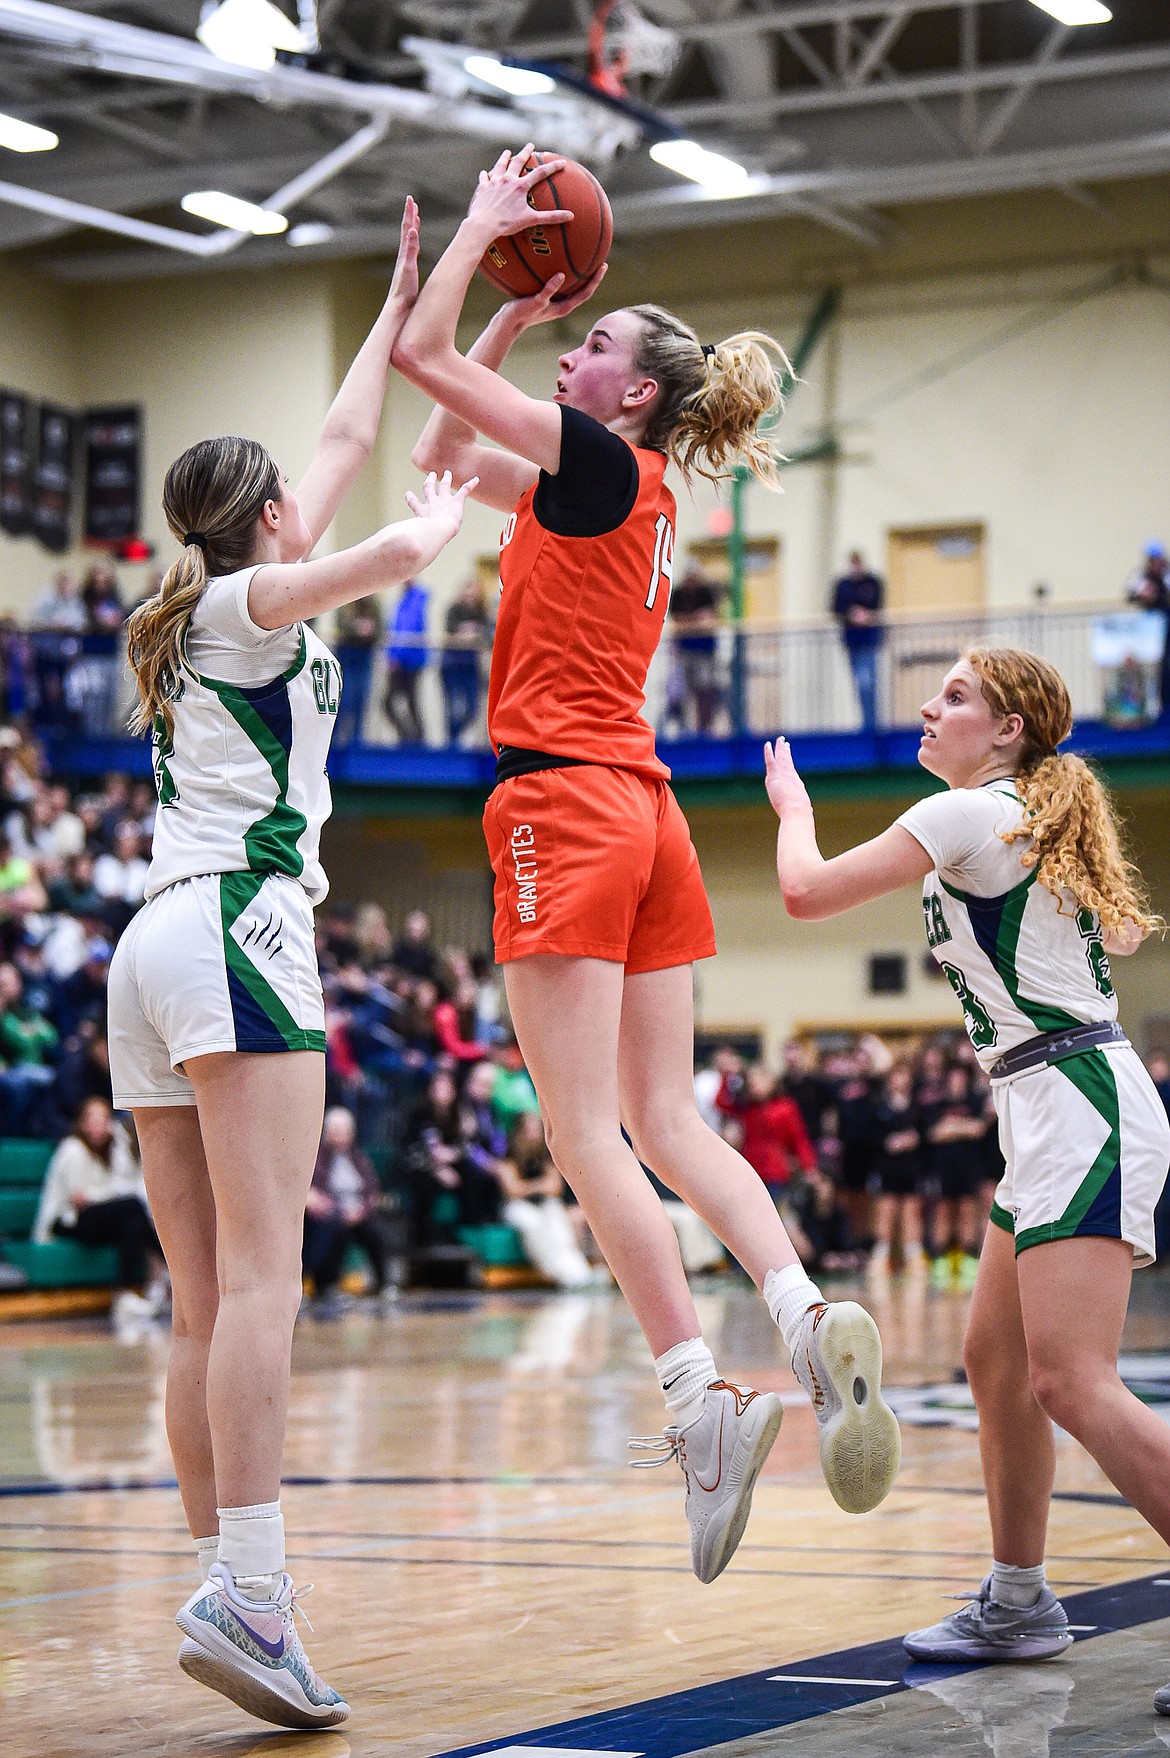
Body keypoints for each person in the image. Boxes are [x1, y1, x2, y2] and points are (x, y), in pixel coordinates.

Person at [392, 145, 900, 1580]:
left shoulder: (597, 456)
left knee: (580, 1134)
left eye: (591, 342)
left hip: (564, 805)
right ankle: (800, 1313)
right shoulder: (634, 487)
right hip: (651, 814)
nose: (572, 353)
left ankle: (698, 1402)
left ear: (631, 394)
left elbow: (415, 358)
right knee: (666, 1118)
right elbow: (438, 457)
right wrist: (513, 315)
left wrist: (484, 239)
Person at [105, 198, 475, 1732]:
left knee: (205, 1300)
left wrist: (427, 298)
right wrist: (431, 533)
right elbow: (385, 537)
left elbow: (342, 421)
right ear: (268, 522)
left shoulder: (209, 594)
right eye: (295, 502)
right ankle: (252, 1588)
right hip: (241, 928)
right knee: (266, 1279)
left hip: (151, 945)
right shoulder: (260, 605)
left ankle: (227, 1578)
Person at [764, 646, 1170, 1704]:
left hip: (1075, 1101)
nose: (929, 708)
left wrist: (791, 805)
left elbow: (804, 895)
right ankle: (1021, 1596)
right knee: (995, 1361)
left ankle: (1023, 1594)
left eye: (956, 697)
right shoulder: (1026, 823)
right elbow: (1122, 932)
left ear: (1008, 734)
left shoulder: (965, 816)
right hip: (1048, 1102)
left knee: (1069, 1380)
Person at [33, 1097, 167, 1327]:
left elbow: (128, 1184)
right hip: (67, 1221)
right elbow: (79, 1199)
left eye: (103, 1120)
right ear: (82, 1124)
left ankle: (124, 1293)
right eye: (92, 1120)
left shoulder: (115, 1147)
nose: (99, 1126)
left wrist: (119, 1148)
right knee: (132, 1207)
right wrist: (110, 1196)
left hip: (102, 1217)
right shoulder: (72, 1150)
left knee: (132, 1224)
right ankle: (167, 1266)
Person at [303, 1106, 388, 1314]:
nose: (339, 1136)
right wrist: (332, 1207)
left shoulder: (358, 1157)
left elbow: (371, 1188)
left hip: (357, 1211)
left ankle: (384, 1282)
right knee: (334, 1228)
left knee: (374, 1229)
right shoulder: (318, 1157)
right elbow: (313, 1190)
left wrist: (363, 1210)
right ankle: (325, 1283)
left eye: (343, 1131)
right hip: (330, 1212)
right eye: (335, 1131)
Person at [831, 549, 884, 731]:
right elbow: (835, 608)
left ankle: (871, 724)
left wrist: (867, 616)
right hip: (852, 641)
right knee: (860, 683)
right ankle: (867, 723)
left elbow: (878, 605)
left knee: (867, 682)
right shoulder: (843, 585)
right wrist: (851, 615)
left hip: (869, 639)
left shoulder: (873, 582)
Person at [440, 576, 491, 744]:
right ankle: (451, 742)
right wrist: (467, 635)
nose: (470, 596)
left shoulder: (481, 612)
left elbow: (486, 635)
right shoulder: (453, 609)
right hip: (451, 665)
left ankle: (455, 736)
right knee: (452, 706)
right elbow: (450, 632)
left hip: (471, 667)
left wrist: (470, 635)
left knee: (472, 708)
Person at [383, 577, 429, 744]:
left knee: (399, 702)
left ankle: (414, 738)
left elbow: (407, 629)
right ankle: (411, 737)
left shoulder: (415, 599)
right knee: (407, 702)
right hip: (404, 658)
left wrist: (394, 656)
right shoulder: (404, 598)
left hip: (409, 660)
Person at [331, 594, 381, 744]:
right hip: (347, 653)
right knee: (344, 698)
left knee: (361, 697)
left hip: (365, 653)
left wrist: (369, 631)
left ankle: (356, 739)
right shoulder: (345, 602)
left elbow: (380, 629)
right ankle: (336, 740)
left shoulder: (374, 604)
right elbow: (340, 626)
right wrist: (356, 628)